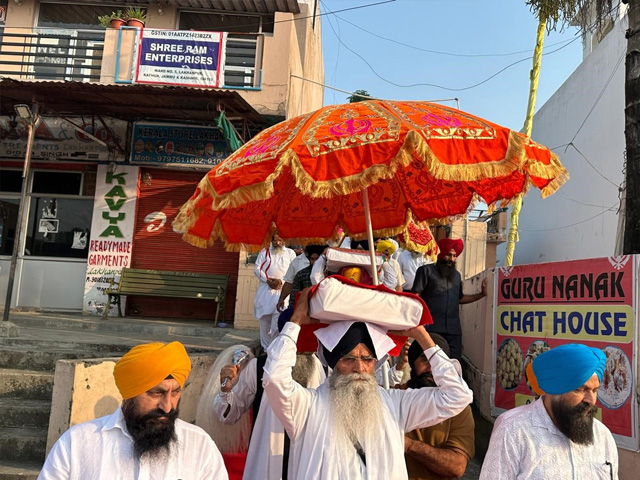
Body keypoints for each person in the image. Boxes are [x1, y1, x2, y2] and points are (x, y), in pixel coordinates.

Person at [263, 288, 473, 480]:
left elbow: (458, 396)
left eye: (367, 359)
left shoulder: (395, 404)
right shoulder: (308, 407)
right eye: (348, 359)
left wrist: (420, 335)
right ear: (334, 363)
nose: (360, 368)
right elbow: (274, 378)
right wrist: (295, 322)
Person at [39, 342, 228, 479]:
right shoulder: (77, 443)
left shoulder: (200, 445)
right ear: (129, 394)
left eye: (175, 392)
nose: (167, 406)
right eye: (156, 393)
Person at [214, 312, 326, 480]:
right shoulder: (258, 367)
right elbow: (229, 415)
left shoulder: (319, 367)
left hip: (307, 459)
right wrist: (226, 391)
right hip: (267, 459)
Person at [480, 343, 618, 480]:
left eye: (595, 390)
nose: (591, 400)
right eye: (580, 389)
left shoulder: (602, 436)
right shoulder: (513, 432)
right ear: (554, 390)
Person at [402, 334, 475, 480]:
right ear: (413, 363)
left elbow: (457, 467)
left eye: (437, 363)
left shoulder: (459, 408)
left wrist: (409, 445)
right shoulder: (396, 396)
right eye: (425, 359)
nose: (431, 368)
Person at [411, 238, 486, 361]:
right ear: (441, 254)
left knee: (455, 364)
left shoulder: (457, 276)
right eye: (449, 255)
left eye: (454, 256)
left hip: (453, 330)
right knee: (433, 363)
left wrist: (481, 294)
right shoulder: (426, 271)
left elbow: (460, 298)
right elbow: (415, 296)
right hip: (432, 329)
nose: (452, 259)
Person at [254, 233, 296, 349]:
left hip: (282, 292)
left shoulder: (290, 253)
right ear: (271, 240)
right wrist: (267, 280)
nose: (277, 243)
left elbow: (294, 271)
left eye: (280, 240)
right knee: (264, 322)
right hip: (265, 290)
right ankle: (266, 349)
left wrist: (281, 282)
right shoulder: (264, 252)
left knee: (277, 323)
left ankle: (274, 349)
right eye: (275, 240)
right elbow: (257, 268)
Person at [277, 245, 326, 312]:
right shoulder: (301, 274)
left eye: (317, 259)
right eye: (312, 259)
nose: (315, 262)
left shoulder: (329, 273)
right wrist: (282, 300)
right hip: (306, 309)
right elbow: (293, 294)